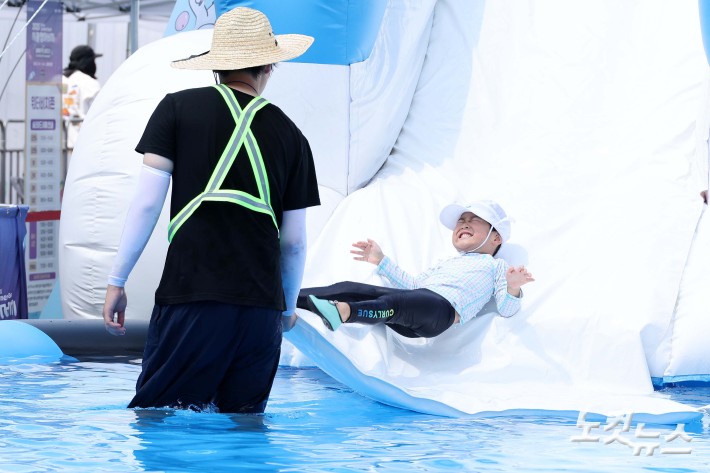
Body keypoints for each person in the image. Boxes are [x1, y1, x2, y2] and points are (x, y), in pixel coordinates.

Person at [102, 7, 320, 413]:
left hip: (192, 296)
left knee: (160, 418)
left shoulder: (176, 109)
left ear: (216, 66)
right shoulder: (293, 136)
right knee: (244, 428)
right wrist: (286, 309)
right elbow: (293, 242)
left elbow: (147, 203)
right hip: (261, 309)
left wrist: (117, 280)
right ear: (269, 65)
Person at [298, 200, 534, 338]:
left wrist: (513, 287)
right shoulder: (447, 262)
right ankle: (289, 298)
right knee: (350, 288)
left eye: (473, 220)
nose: (463, 224)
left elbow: (507, 310)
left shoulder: (496, 266)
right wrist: (381, 260)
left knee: (393, 304)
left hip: (440, 311)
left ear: (496, 238)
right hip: (416, 302)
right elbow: (413, 285)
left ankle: (343, 313)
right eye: (461, 221)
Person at [62, 45, 102, 151]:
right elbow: (99, 114)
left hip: (59, 142)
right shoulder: (90, 83)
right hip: (82, 144)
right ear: (88, 62)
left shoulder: (59, 79)